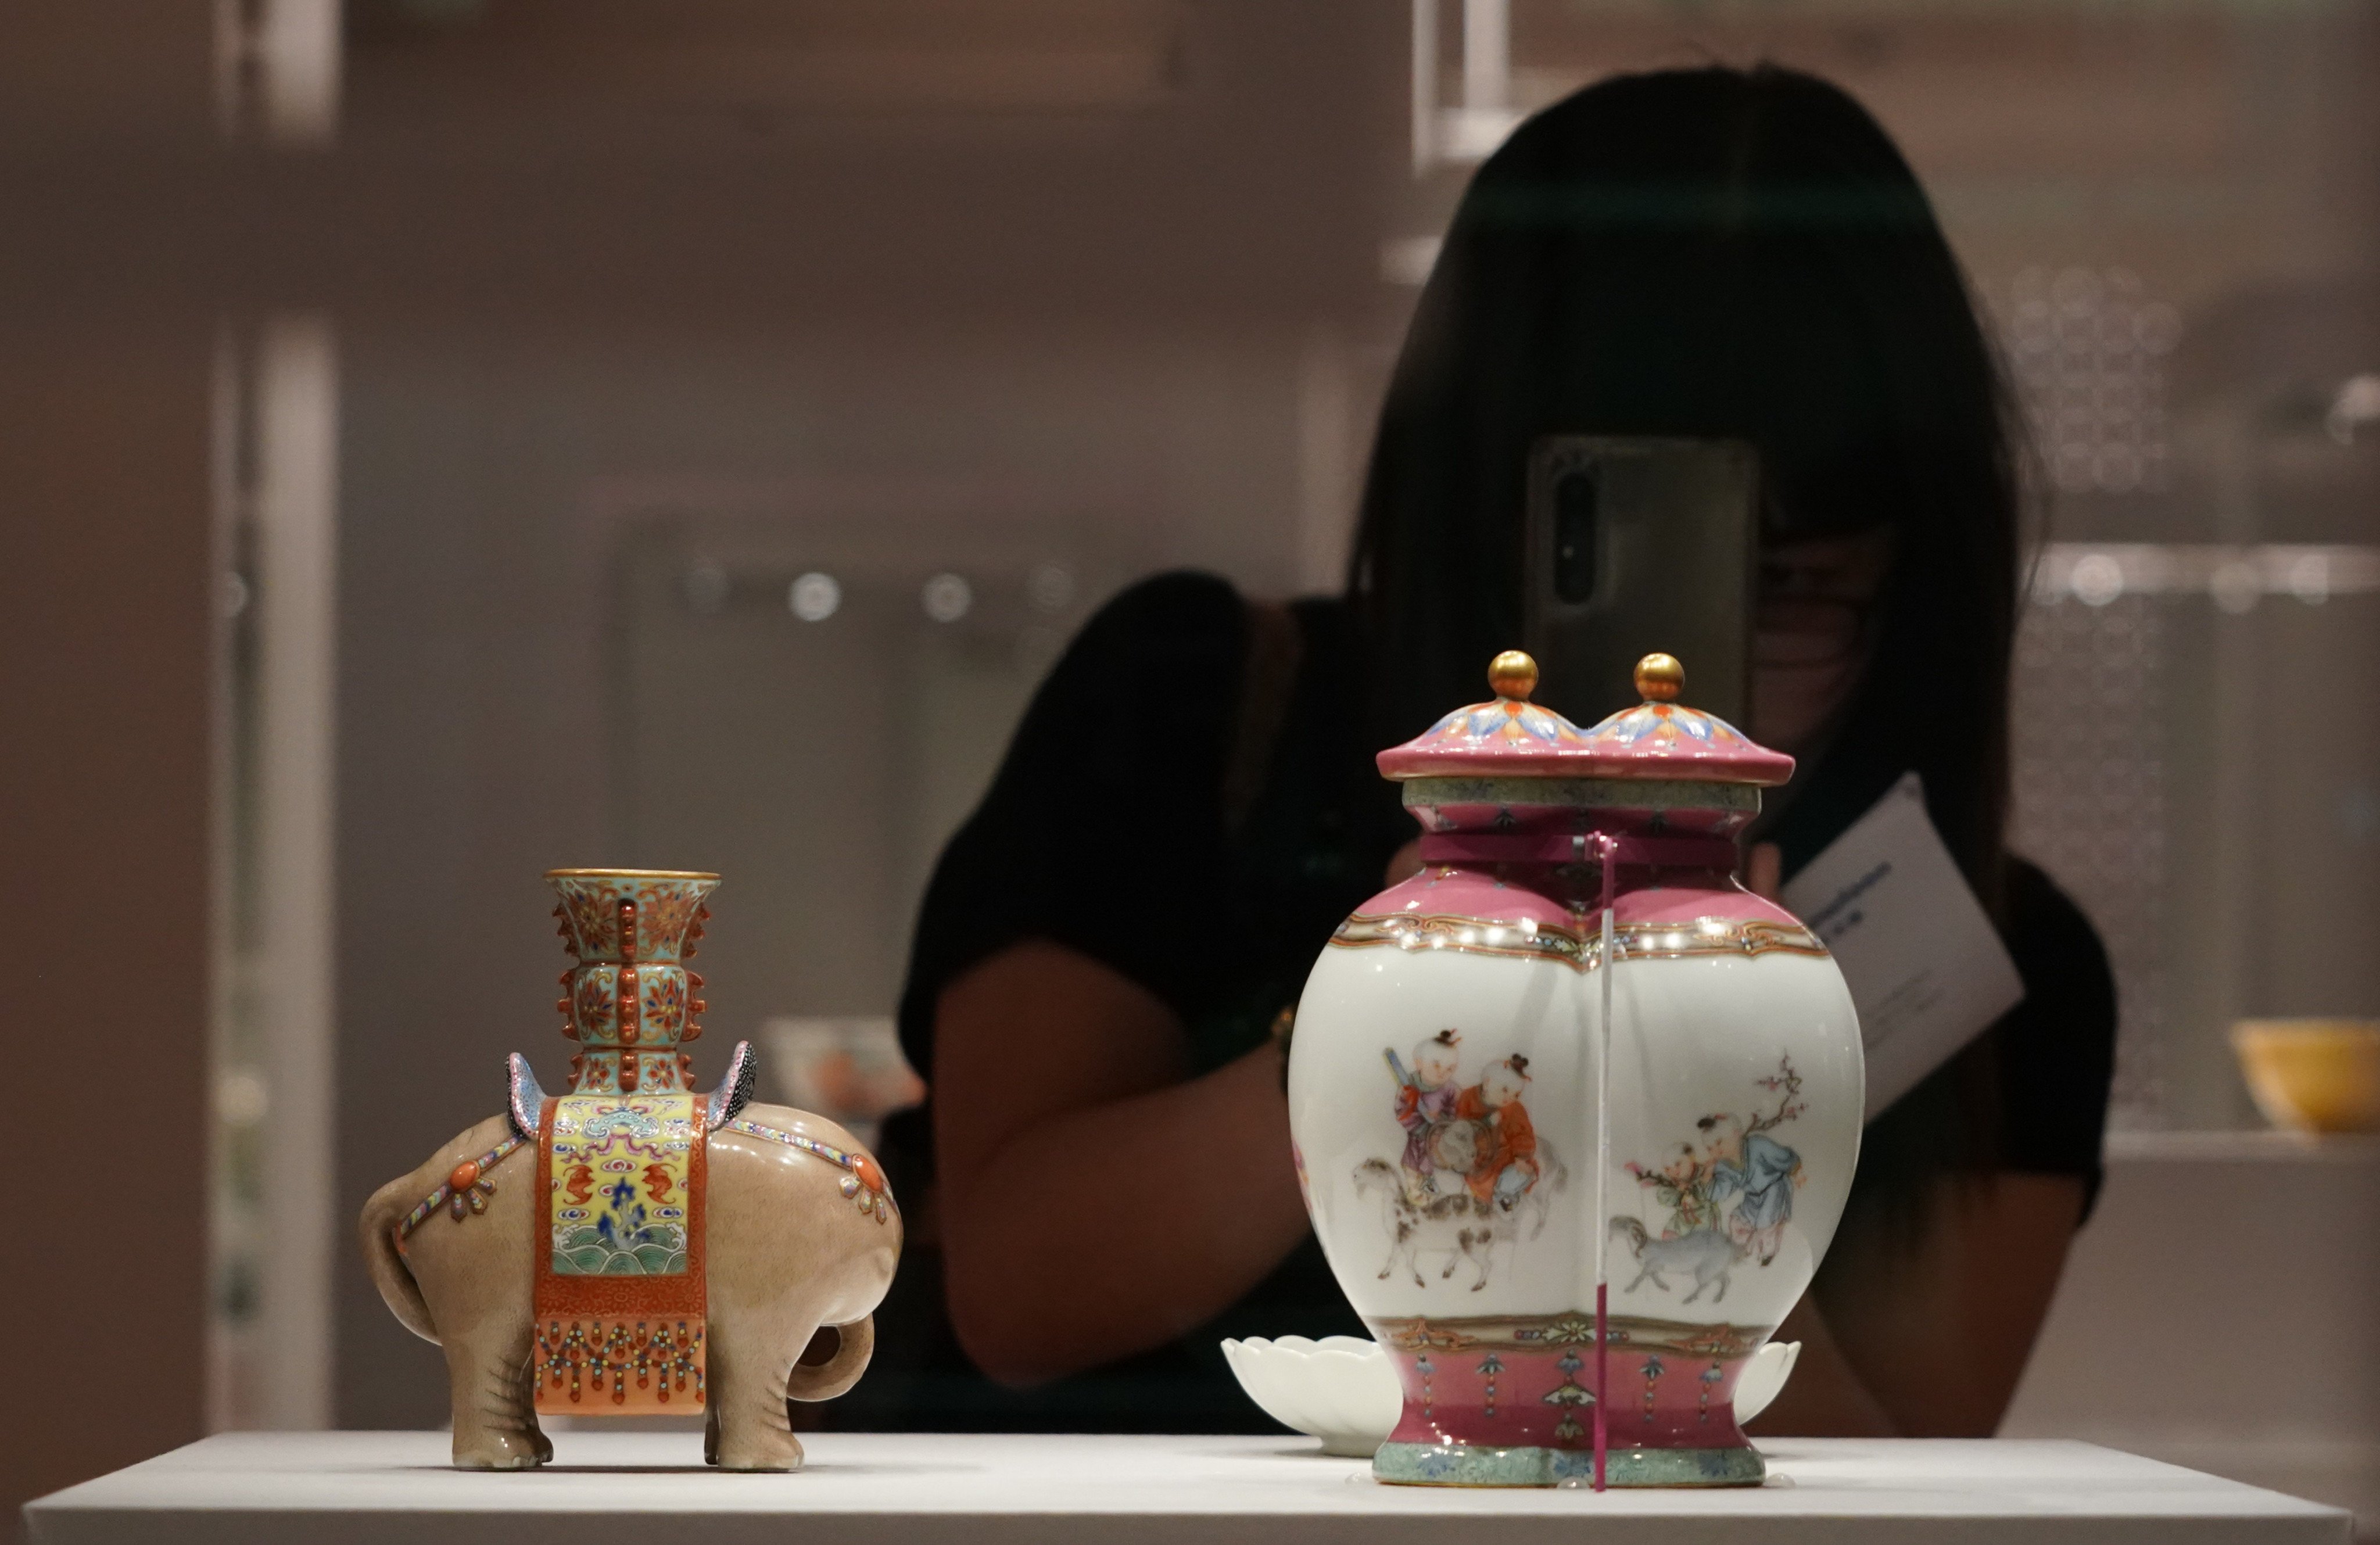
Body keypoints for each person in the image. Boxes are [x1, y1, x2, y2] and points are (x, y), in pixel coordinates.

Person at [855, 63, 2117, 1438]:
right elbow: (1022, 1296)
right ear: (1480, 510)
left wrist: (1699, 1061)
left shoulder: (1991, 960)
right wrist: (1407, 998)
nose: (1693, 665)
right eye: (1627, 560)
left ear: (1908, 579)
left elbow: (1897, 1498)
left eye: (1795, 586)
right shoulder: (1196, 704)